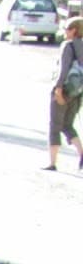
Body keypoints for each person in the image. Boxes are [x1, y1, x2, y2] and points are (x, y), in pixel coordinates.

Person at [46, 16, 83, 171]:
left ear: (74, 30)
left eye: (67, 29)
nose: (65, 32)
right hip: (78, 91)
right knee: (68, 125)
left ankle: (52, 162)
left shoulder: (68, 45)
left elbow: (63, 69)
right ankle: (81, 152)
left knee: (55, 125)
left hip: (65, 89)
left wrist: (58, 89)